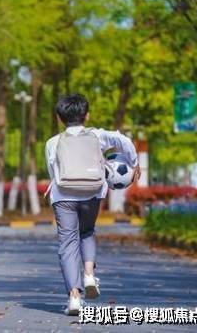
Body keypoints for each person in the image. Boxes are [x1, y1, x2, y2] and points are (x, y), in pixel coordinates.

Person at [45, 93, 140, 316]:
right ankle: (89, 274)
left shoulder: (52, 143)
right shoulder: (97, 135)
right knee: (87, 231)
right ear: (86, 115)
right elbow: (123, 140)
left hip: (63, 197)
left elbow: (52, 172)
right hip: (92, 193)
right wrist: (134, 162)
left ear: (59, 118)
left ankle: (74, 297)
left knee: (68, 243)